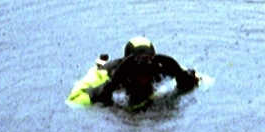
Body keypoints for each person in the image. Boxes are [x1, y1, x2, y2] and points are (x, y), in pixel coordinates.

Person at [68, 37, 200, 110]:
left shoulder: (161, 68)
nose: (143, 76)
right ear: (128, 67)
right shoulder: (105, 73)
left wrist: (182, 76)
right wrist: (110, 85)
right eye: (138, 69)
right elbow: (73, 100)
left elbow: (205, 80)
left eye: (147, 68)